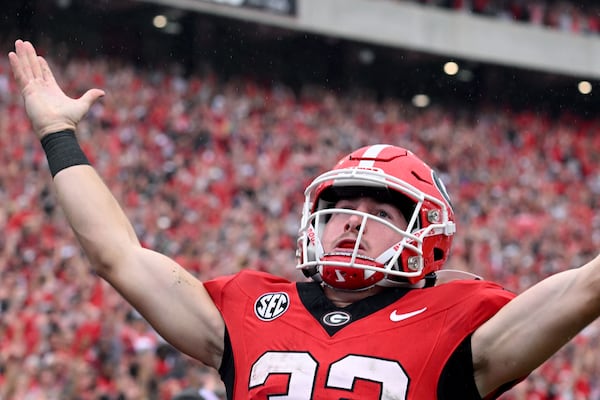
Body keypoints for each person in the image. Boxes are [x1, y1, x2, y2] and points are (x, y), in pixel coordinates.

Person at [8, 38, 600, 399]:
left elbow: (587, 285)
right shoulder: (248, 307)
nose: (354, 223)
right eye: (341, 209)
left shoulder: (461, 321)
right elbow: (117, 255)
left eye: (380, 213)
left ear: (429, 237)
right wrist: (58, 133)